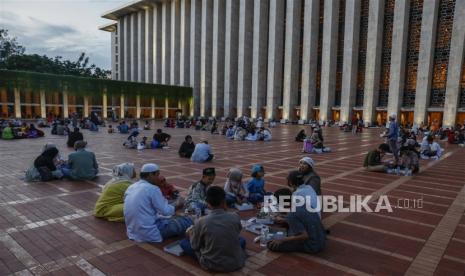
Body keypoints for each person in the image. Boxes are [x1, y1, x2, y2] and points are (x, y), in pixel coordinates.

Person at [180, 186, 247, 272]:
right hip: (236, 262)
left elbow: (195, 246)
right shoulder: (235, 216)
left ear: (207, 203)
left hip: (212, 264)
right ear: (224, 201)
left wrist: (190, 234)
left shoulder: (201, 221)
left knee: (183, 243)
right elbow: (235, 233)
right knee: (241, 240)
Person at [124, 164, 191, 243]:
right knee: (187, 221)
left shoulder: (131, 187)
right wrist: (179, 205)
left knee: (168, 218)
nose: (158, 178)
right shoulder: (153, 189)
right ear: (150, 175)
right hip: (150, 232)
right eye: (157, 175)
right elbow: (166, 211)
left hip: (132, 232)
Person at [267, 170, 326, 253]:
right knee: (287, 226)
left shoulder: (292, 214)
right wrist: (285, 218)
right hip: (321, 238)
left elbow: (304, 236)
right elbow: (301, 217)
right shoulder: (302, 202)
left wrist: (282, 239)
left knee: (270, 244)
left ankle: (286, 236)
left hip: (313, 245)